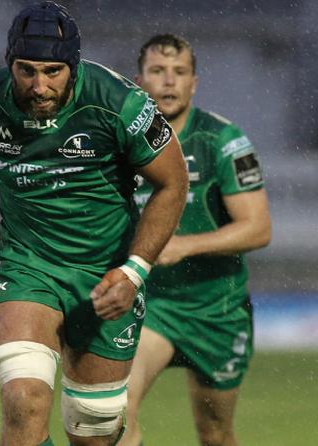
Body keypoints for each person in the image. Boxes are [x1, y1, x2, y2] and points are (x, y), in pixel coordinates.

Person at [0, 3, 190, 445]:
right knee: (22, 401)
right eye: (27, 71)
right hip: (26, 265)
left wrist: (134, 271)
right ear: (9, 64)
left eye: (53, 71)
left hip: (105, 273)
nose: (40, 86)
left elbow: (173, 182)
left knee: (94, 428)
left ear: (72, 66)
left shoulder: (120, 103)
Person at [118, 34, 271, 446]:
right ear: (138, 81)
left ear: (194, 83)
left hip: (216, 310)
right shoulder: (120, 143)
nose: (169, 81)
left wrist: (185, 245)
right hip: (152, 307)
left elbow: (258, 228)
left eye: (179, 72)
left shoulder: (221, 140)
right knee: (117, 409)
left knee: (215, 435)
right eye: (157, 71)